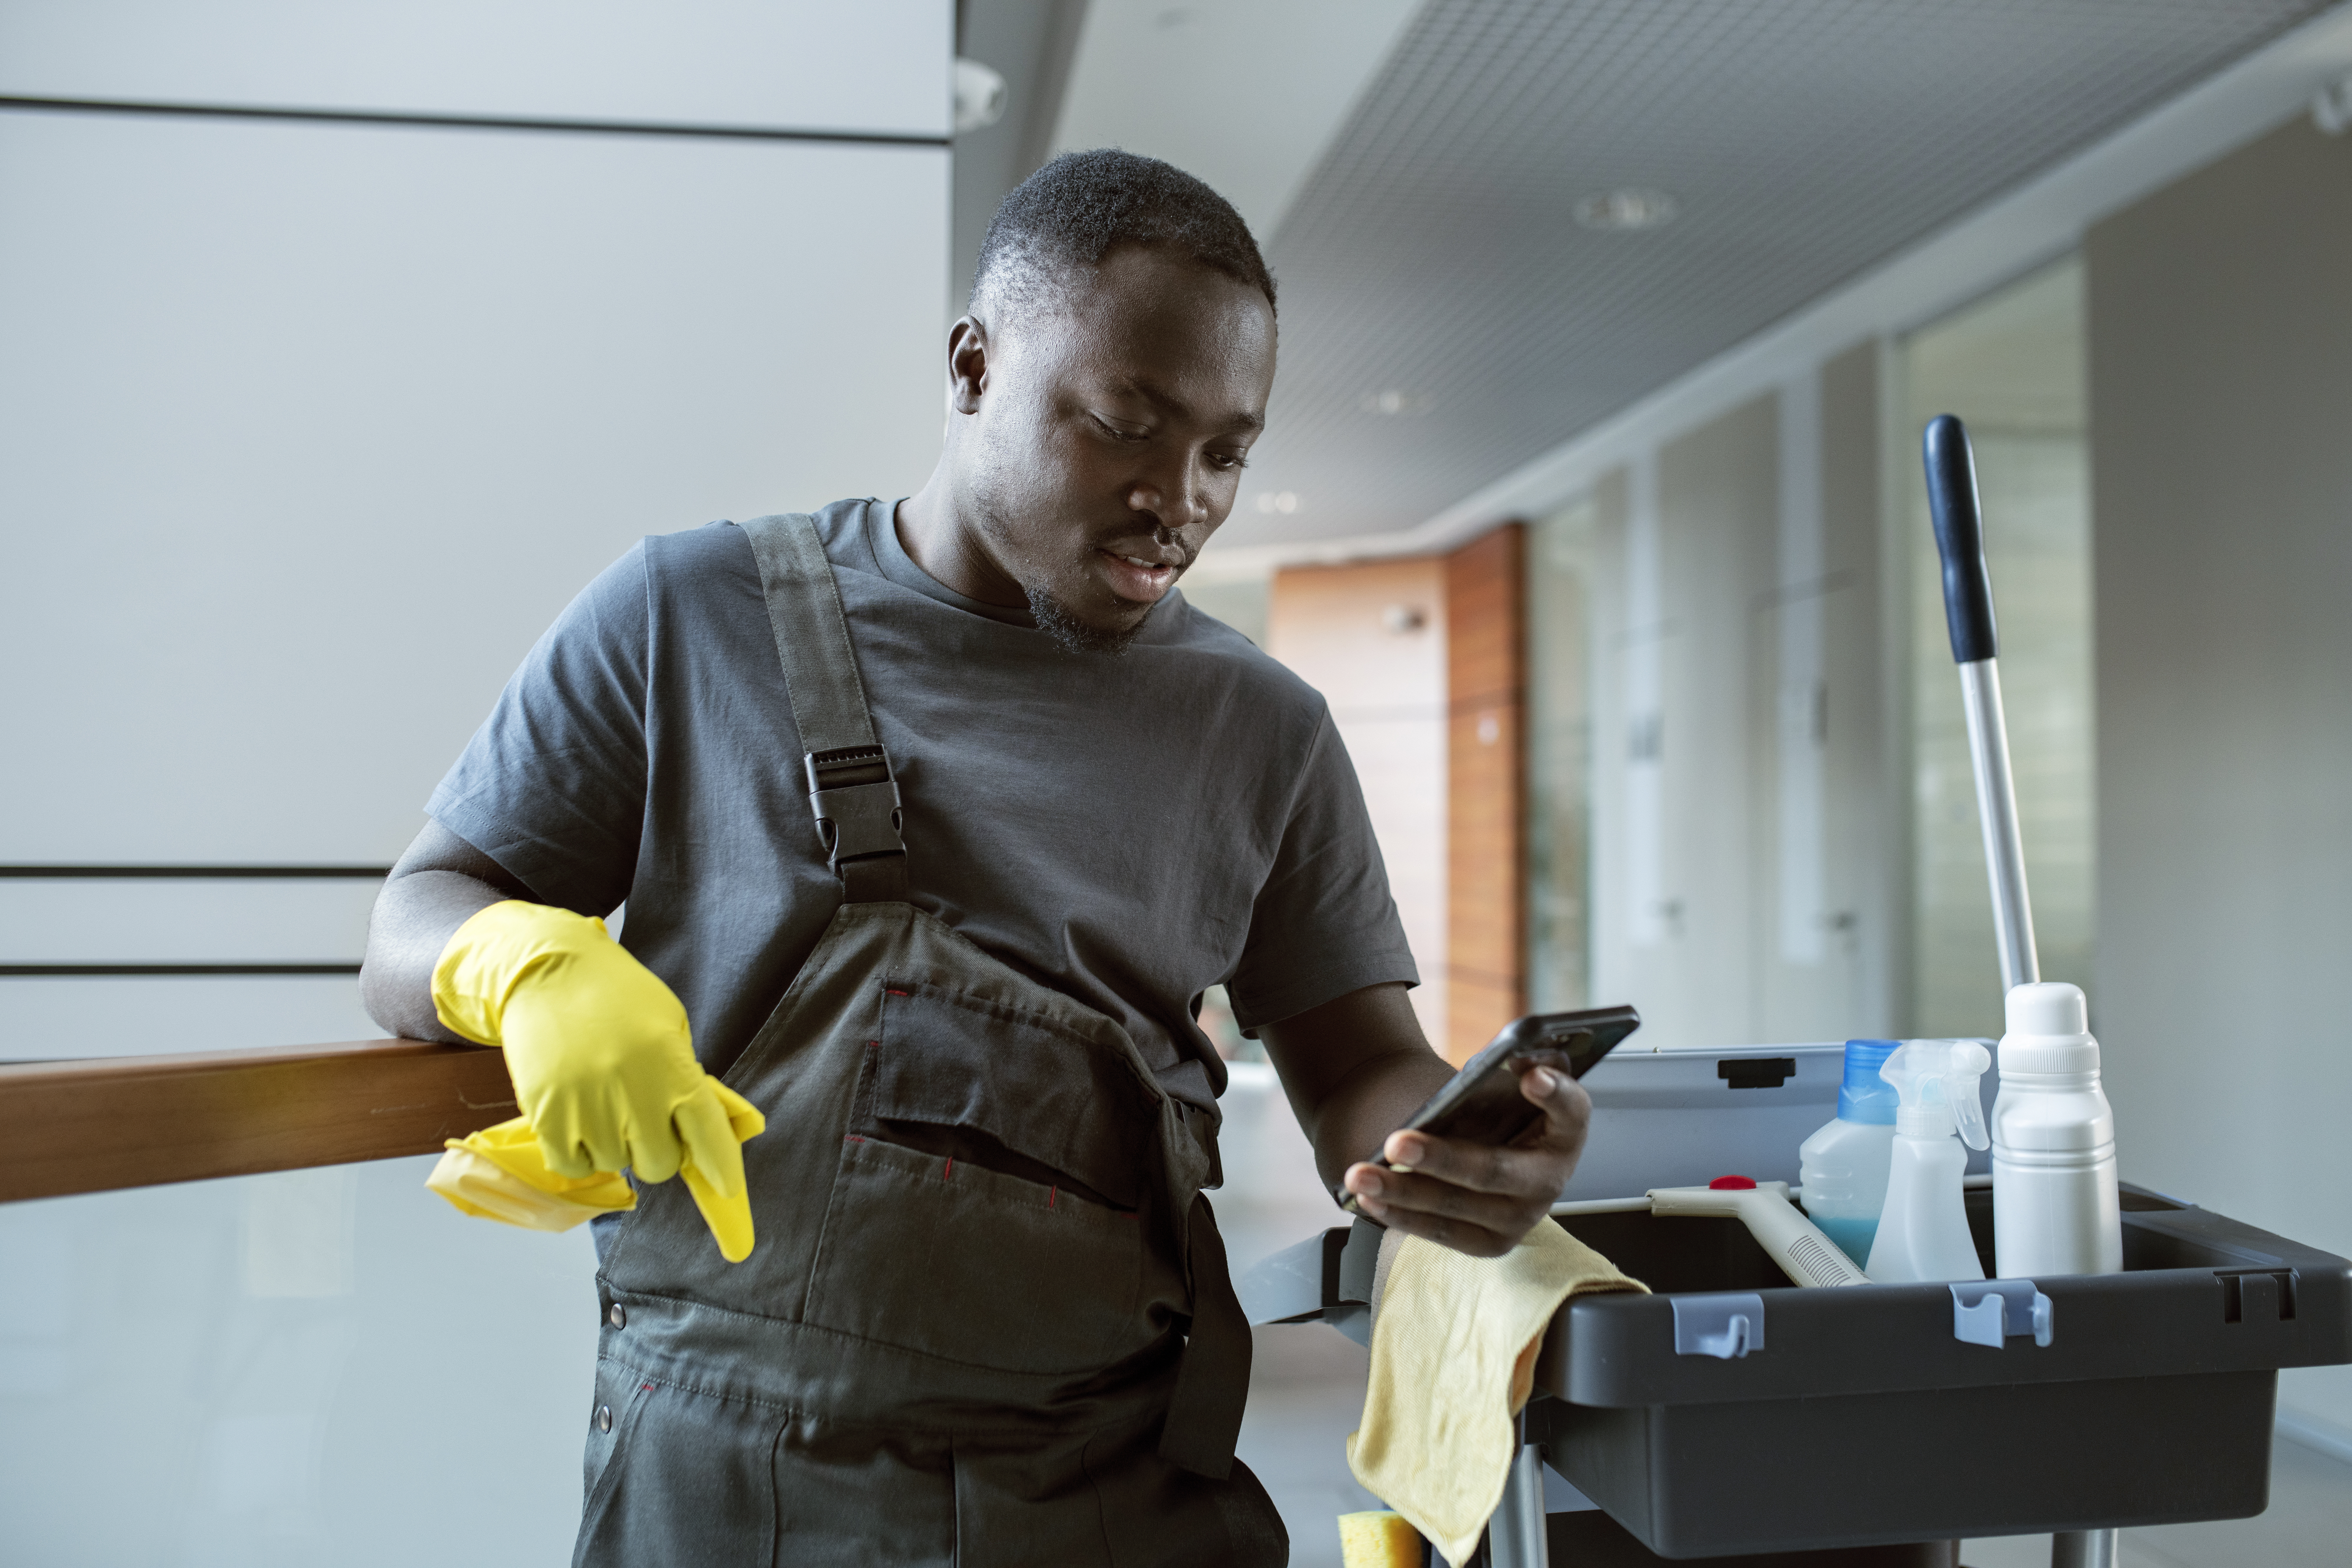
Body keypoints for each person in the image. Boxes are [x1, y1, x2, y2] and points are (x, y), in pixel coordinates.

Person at [360, 149, 1590, 1566]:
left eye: (1227, 452)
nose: (1181, 498)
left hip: (1118, 1477)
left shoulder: (1265, 730)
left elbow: (1353, 1055)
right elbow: (415, 916)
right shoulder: (688, 615)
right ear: (971, 367)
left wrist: (1451, 1147)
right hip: (727, 1477)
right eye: (1126, 424)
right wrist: (525, 962)